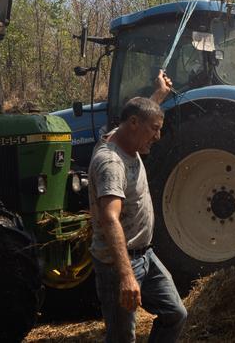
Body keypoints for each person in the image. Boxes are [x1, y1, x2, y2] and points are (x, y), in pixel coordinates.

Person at [89, 70, 187, 343]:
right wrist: (126, 277)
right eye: (154, 129)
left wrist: (158, 95)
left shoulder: (124, 135)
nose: (157, 136)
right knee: (122, 338)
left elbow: (141, 113)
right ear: (133, 124)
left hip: (146, 255)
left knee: (175, 313)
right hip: (118, 263)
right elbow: (109, 219)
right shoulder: (111, 163)